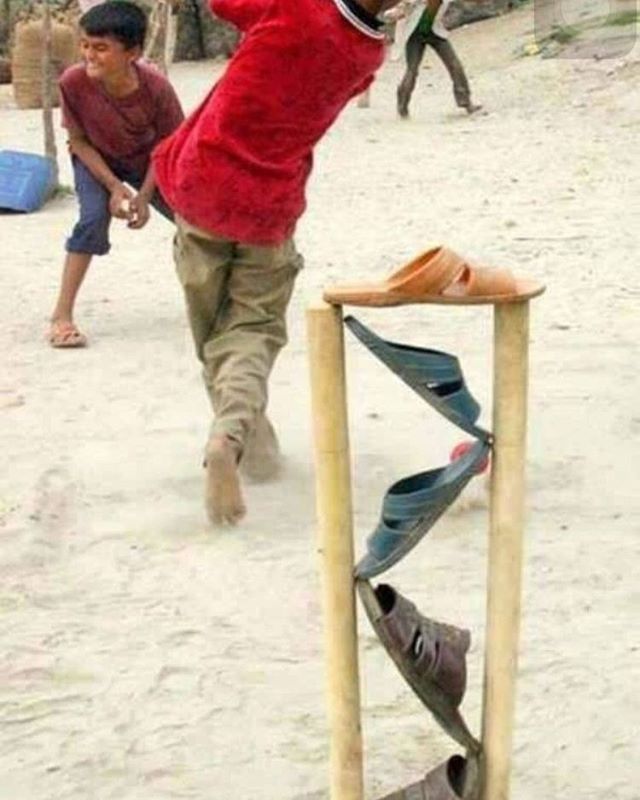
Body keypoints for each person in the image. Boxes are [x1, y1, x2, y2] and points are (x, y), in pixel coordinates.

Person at [152, 0, 405, 526]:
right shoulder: (369, 53)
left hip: (201, 184)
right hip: (269, 203)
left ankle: (236, 438)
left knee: (214, 337)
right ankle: (244, 444)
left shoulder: (296, 7)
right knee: (251, 330)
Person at [49, 0, 184, 348]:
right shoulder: (72, 82)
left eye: (101, 48)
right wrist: (112, 186)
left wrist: (143, 194)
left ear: (132, 52)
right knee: (92, 220)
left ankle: (220, 303)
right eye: (85, 45)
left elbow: (169, 147)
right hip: (95, 159)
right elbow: (78, 141)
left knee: (196, 221)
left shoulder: (156, 88)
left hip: (149, 161)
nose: (89, 55)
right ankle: (61, 316)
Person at [387, 0, 481, 118]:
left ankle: (466, 102)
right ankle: (402, 107)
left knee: (452, 65)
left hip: (428, 30)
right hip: (419, 30)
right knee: (415, 70)